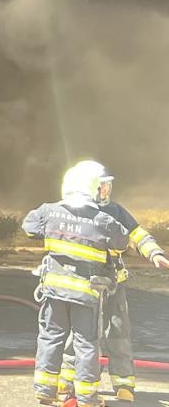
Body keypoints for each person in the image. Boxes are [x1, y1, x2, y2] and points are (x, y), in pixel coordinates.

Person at [57, 160, 169, 403]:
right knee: (80, 334)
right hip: (83, 286)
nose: (106, 192)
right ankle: (66, 382)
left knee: (118, 330)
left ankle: (124, 383)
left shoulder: (116, 211)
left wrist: (155, 254)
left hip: (113, 285)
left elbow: (137, 234)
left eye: (108, 187)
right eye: (102, 187)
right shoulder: (71, 213)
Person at [23, 160, 128, 407]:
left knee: (50, 338)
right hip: (85, 295)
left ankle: (45, 391)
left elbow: (29, 226)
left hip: (54, 292)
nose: (104, 191)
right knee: (87, 345)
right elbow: (121, 242)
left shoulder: (49, 211)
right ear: (91, 187)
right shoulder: (102, 220)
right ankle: (87, 399)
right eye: (101, 186)